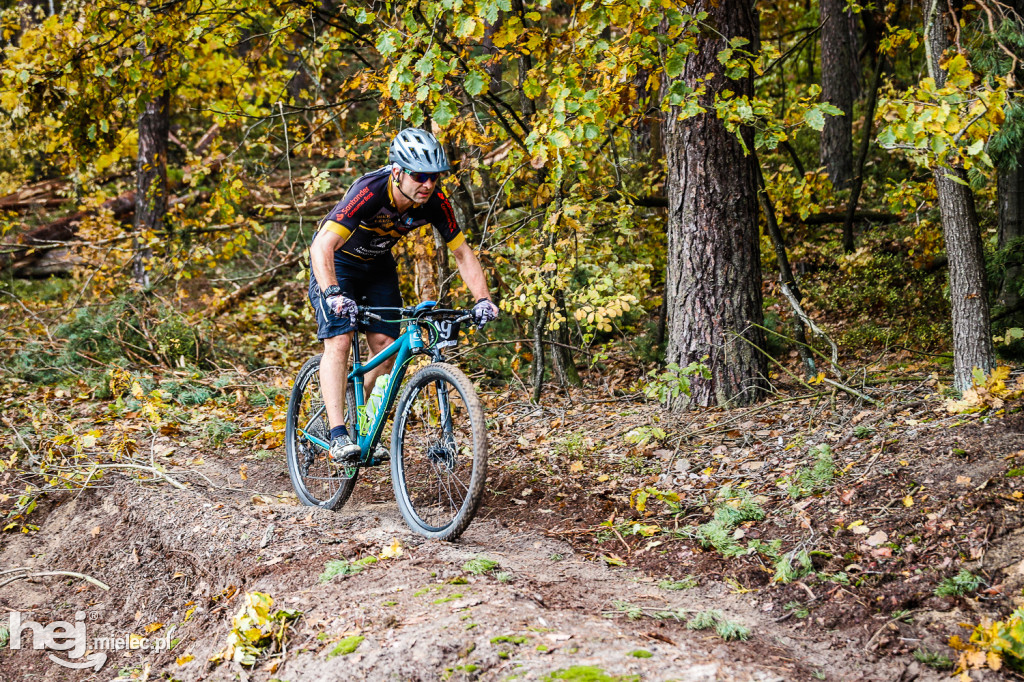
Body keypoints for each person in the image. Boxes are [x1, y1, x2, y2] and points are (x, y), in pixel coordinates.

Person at [308, 128, 499, 464]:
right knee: (340, 340)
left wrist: (483, 299)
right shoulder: (369, 192)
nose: (428, 184)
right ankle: (338, 434)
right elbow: (322, 244)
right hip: (337, 263)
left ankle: (360, 424)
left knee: (385, 347)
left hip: (377, 264)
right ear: (397, 171)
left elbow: (463, 254)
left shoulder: (435, 202)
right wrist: (333, 293)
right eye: (420, 176)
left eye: (434, 177)